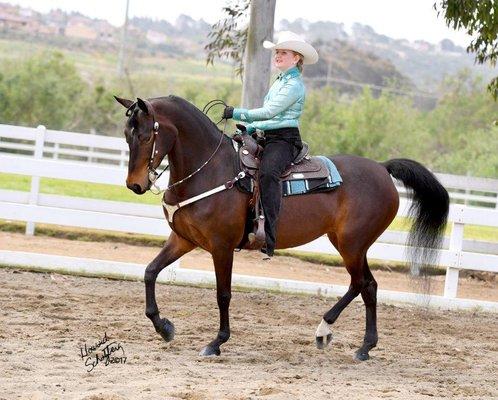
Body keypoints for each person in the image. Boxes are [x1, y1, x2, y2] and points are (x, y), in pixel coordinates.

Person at [223, 31, 319, 258]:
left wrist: (238, 113)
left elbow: (270, 111)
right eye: (277, 52)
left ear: (296, 58)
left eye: (283, 53)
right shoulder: (281, 81)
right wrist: (251, 130)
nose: (277, 56)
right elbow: (271, 118)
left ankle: (270, 235)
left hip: (284, 140)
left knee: (268, 174)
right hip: (269, 135)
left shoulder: (294, 84)